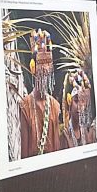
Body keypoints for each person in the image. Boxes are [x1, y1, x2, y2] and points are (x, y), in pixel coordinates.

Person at [18, 29, 62, 158]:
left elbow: (57, 146)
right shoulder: (25, 105)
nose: (45, 76)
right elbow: (24, 152)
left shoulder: (55, 105)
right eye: (41, 71)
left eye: (48, 73)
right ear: (33, 69)